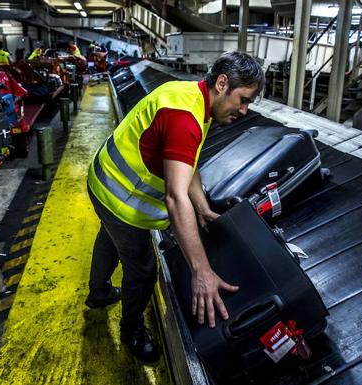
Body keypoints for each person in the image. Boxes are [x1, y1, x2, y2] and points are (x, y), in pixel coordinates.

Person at [85, 51, 264, 362]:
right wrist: (202, 271)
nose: (245, 110)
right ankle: (131, 332)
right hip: (121, 200)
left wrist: (204, 208)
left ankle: (98, 293)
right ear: (222, 84)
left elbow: (187, 162)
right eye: (243, 99)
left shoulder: (189, 96)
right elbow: (175, 197)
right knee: (142, 271)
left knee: (109, 239)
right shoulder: (186, 118)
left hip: (102, 181)